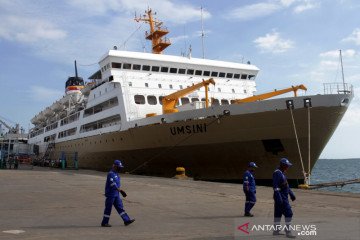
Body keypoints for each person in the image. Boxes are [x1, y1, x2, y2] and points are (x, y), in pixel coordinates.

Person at [101, 160, 135, 227]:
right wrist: (121, 190)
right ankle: (104, 222)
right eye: (119, 167)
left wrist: (119, 191)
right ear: (115, 166)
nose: (120, 168)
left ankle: (126, 220)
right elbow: (112, 184)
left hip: (116, 194)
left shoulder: (116, 173)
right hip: (111, 194)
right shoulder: (111, 174)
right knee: (108, 208)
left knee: (120, 207)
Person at [273, 158, 296, 238]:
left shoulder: (282, 173)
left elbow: (285, 185)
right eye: (286, 165)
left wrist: (291, 194)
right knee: (289, 213)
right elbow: (276, 187)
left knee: (278, 214)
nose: (287, 167)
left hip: (282, 197)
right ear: (282, 165)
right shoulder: (277, 173)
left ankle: (276, 230)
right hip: (281, 198)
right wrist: (279, 198)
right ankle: (288, 231)